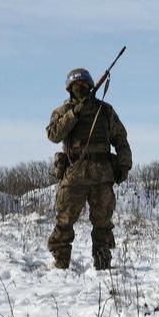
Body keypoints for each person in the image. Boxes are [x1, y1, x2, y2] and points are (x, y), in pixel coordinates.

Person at [45, 68, 132, 270]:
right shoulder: (63, 111)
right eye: (76, 87)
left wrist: (123, 164)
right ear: (69, 89)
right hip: (74, 174)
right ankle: (60, 263)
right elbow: (53, 135)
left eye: (84, 86)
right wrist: (74, 113)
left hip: (101, 175)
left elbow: (121, 140)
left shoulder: (105, 111)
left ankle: (103, 263)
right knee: (64, 222)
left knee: (103, 223)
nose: (81, 89)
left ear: (91, 86)